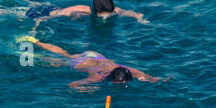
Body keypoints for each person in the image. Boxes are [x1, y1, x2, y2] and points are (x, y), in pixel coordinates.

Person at [23, 36, 162, 89]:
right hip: (81, 63)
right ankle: (27, 51)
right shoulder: (97, 77)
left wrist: (153, 80)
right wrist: (87, 89)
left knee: (67, 54)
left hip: (95, 56)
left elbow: (148, 76)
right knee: (49, 61)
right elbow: (72, 84)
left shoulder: (129, 71)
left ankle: (35, 41)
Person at [26, 0, 148, 25]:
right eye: (103, 15)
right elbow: (46, 17)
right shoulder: (80, 10)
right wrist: (35, 26)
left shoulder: (113, 9)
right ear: (95, 10)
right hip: (42, 12)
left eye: (109, 13)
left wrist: (140, 19)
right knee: (20, 8)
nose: (106, 16)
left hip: (52, 10)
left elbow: (132, 13)